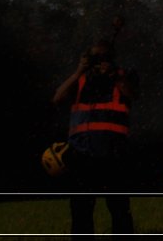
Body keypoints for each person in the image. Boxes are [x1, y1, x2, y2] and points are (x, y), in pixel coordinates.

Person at [52, 41, 137, 235]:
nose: (100, 62)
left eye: (105, 58)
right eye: (95, 58)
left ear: (113, 59)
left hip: (115, 154)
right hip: (82, 155)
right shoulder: (80, 79)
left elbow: (132, 95)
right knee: (81, 211)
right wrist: (78, 71)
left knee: (119, 210)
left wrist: (115, 76)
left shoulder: (124, 76)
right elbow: (57, 98)